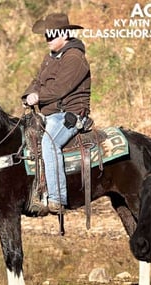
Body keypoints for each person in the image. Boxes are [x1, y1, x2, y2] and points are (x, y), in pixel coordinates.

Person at [22, 13, 91, 213]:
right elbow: (37, 81)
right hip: (49, 113)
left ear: (65, 34)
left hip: (69, 114)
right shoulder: (49, 58)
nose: (48, 39)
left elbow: (60, 89)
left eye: (51, 35)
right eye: (46, 35)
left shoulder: (75, 58)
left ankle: (57, 197)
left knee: (49, 142)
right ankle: (34, 192)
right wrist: (29, 94)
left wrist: (37, 97)